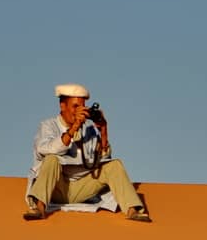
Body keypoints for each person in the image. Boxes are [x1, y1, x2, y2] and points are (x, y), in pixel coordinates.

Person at [24, 83, 152, 222]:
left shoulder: (89, 129)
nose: (79, 111)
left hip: (83, 187)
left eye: (82, 106)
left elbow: (101, 159)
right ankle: (39, 208)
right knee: (51, 160)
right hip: (56, 187)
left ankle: (132, 210)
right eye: (75, 106)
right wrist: (73, 129)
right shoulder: (48, 125)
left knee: (114, 165)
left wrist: (103, 131)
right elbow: (45, 150)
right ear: (63, 106)